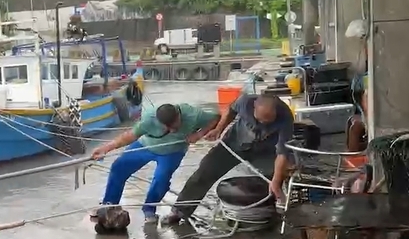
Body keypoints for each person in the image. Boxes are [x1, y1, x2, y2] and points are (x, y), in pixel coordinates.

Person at [163, 94, 294, 225]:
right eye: (260, 120)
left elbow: (282, 153)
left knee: (272, 181)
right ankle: (179, 211)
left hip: (265, 151)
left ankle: (265, 215)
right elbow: (231, 110)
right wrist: (219, 129)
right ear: (253, 106)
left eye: (268, 121)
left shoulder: (286, 117)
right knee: (205, 170)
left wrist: (276, 181)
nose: (263, 123)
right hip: (235, 143)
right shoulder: (244, 101)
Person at [90, 103, 220, 224]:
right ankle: (109, 204)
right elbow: (129, 136)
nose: (172, 130)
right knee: (118, 167)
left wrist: (199, 134)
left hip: (172, 151)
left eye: (175, 125)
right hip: (146, 145)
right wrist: (105, 148)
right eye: (167, 127)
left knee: (161, 178)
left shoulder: (193, 115)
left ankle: (149, 210)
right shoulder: (149, 119)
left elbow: (216, 117)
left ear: (179, 115)